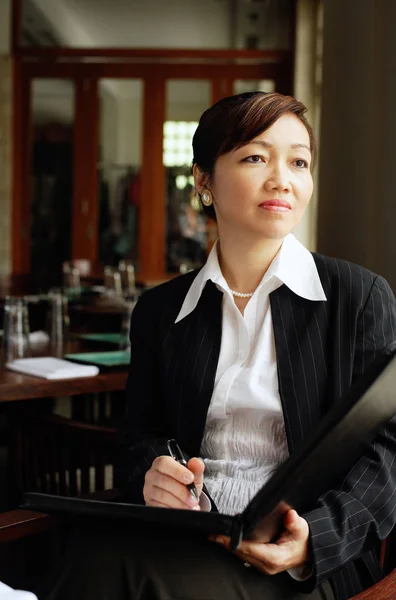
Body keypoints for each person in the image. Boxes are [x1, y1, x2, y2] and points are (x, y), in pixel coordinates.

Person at [42, 92, 396, 600]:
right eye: (256, 157)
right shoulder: (161, 311)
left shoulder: (358, 297)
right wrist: (153, 474)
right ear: (203, 180)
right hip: (188, 532)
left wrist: (314, 538)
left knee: (130, 580)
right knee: (86, 559)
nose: (283, 179)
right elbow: (141, 435)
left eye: (299, 161)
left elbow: (390, 449)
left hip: (298, 555)